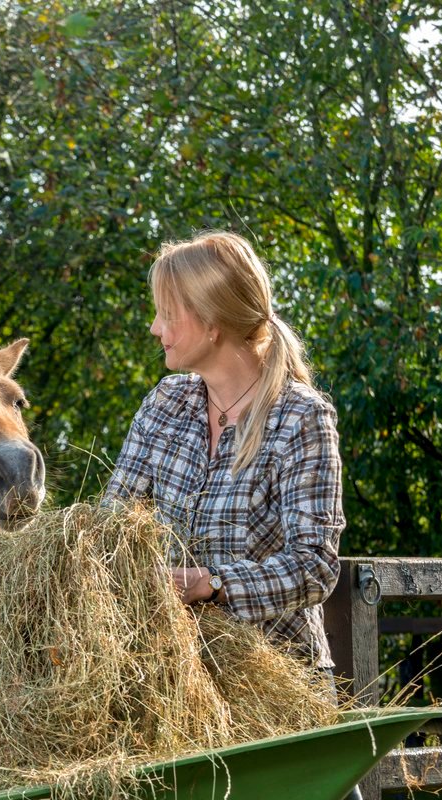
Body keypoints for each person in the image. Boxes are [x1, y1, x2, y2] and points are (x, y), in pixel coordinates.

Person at [104, 230, 346, 674]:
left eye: (167, 315)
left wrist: (212, 584)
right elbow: (110, 528)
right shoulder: (166, 404)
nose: (155, 328)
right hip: (173, 678)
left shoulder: (299, 418)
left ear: (212, 322)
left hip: (277, 684)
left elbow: (315, 565)